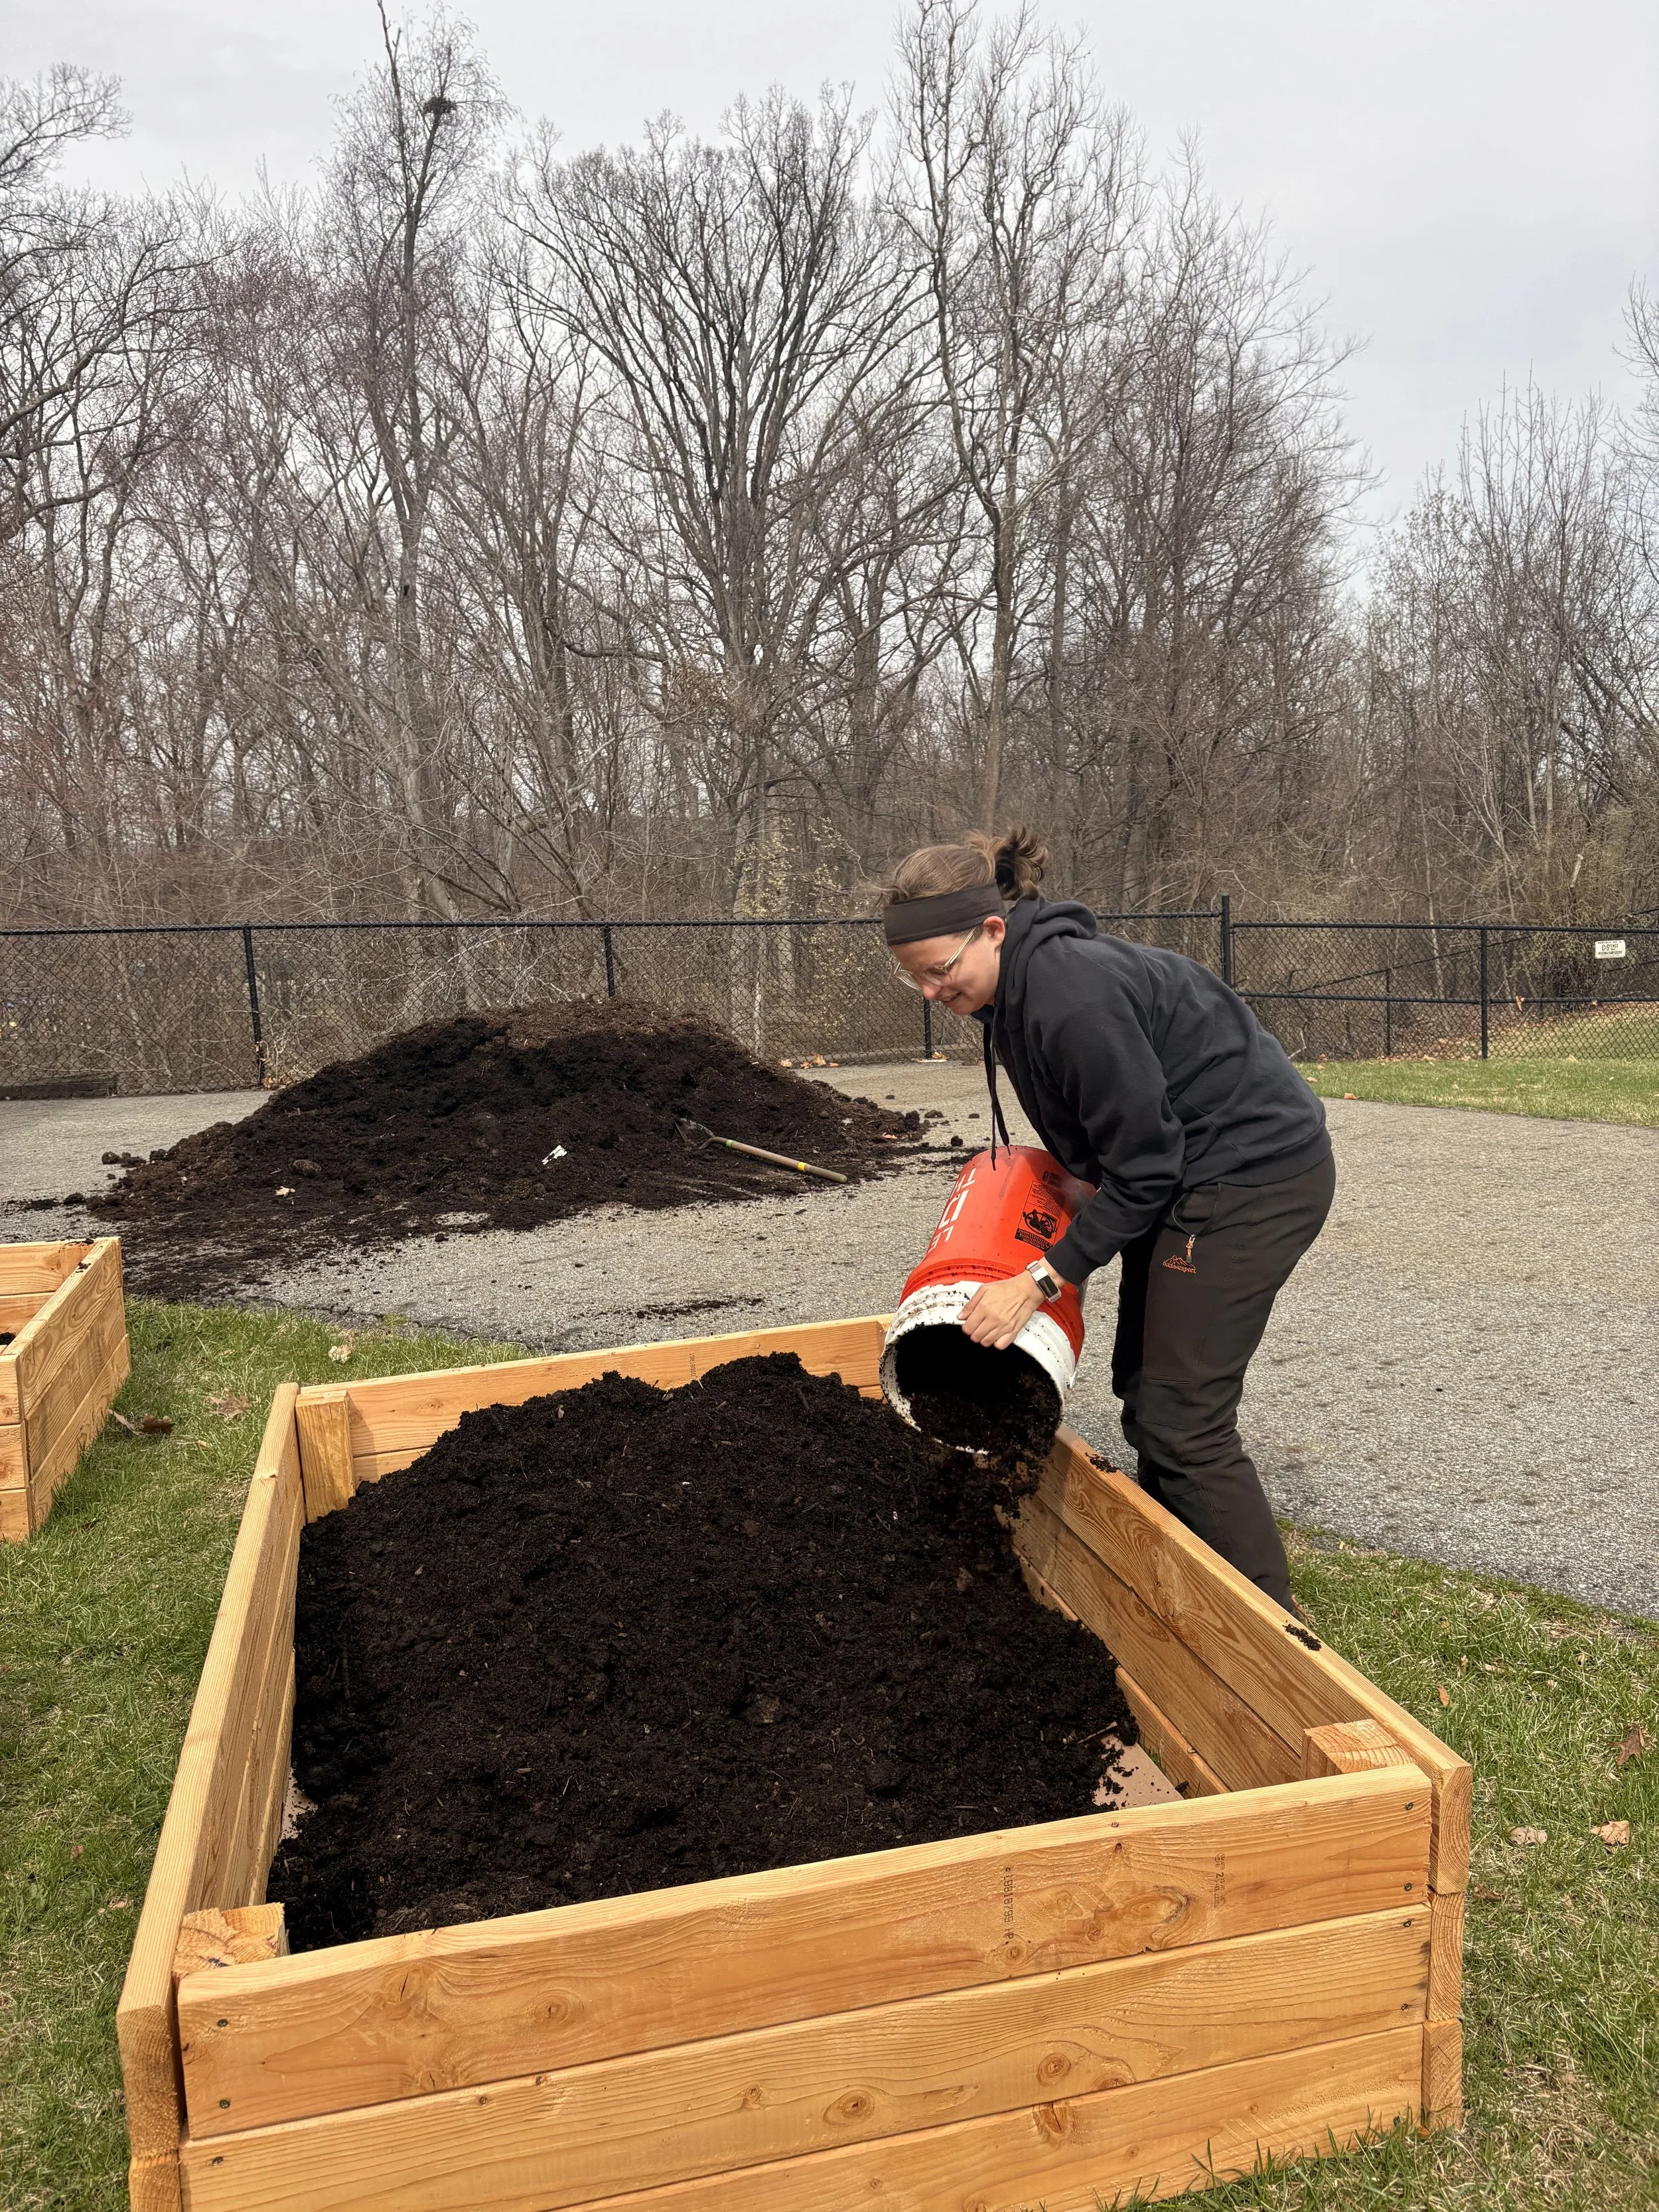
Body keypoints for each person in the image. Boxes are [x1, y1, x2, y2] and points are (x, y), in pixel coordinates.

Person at [881, 828, 1334, 1612]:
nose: (930, 993)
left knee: (1183, 1418)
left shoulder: (1068, 995)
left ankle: (1281, 1644)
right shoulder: (1013, 992)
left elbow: (1148, 1166)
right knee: (1145, 1391)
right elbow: (1115, 1151)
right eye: (915, 979)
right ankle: (1186, 1586)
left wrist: (1039, 1277)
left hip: (1251, 1175)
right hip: (1188, 1172)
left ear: (993, 931)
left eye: (938, 971)